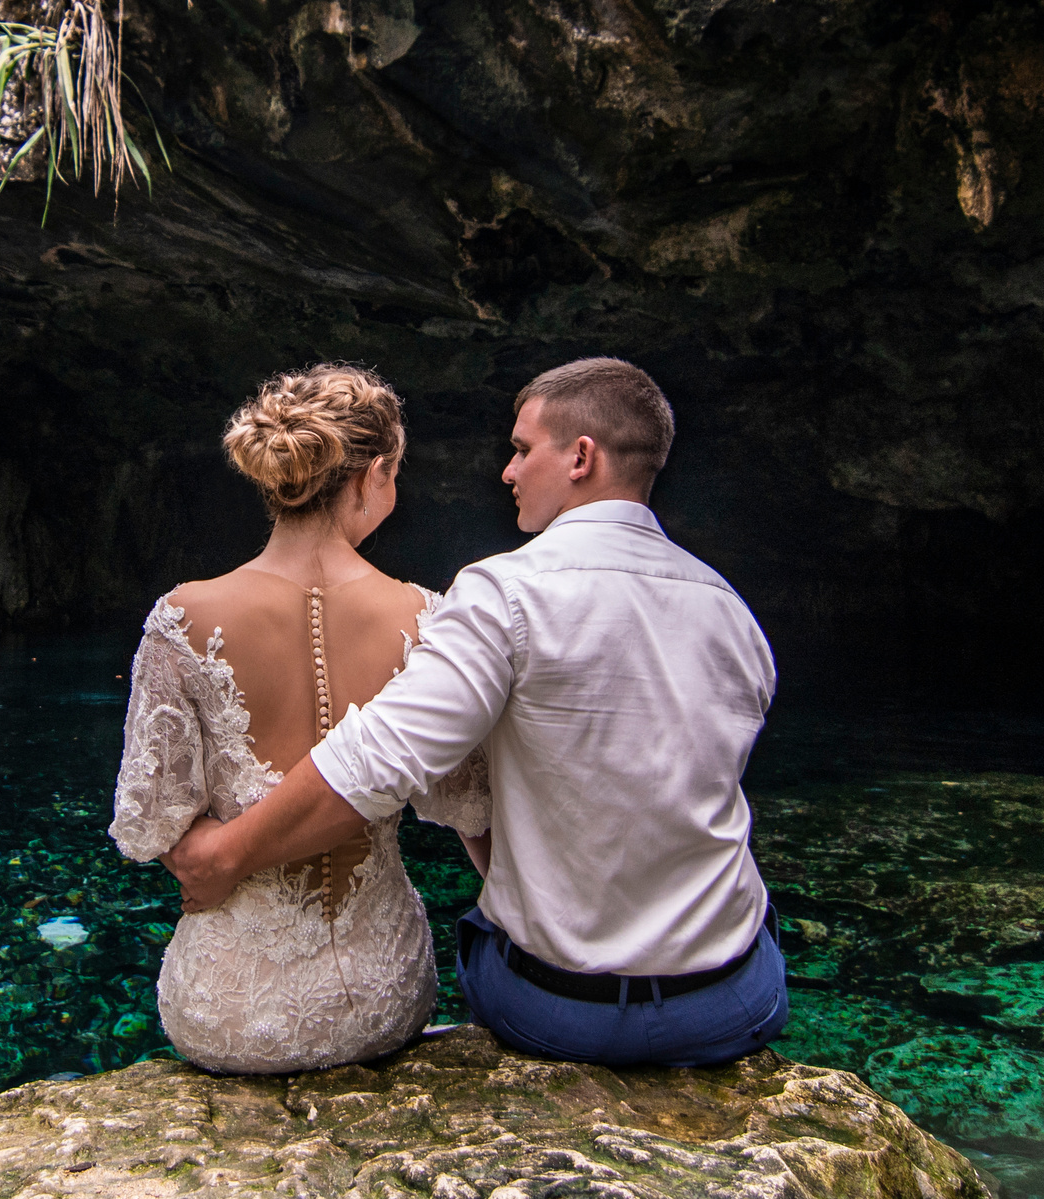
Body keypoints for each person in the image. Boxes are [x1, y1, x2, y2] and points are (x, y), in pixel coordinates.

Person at [165, 357, 785, 1068]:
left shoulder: (502, 593)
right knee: (755, 915)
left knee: (491, 929)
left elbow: (379, 754)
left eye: (523, 450)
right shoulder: (734, 613)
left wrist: (226, 852)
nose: (507, 472)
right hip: (726, 1005)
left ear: (582, 457)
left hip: (559, 1010)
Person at [107, 364, 490, 1075]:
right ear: (372, 475)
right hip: (386, 993)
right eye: (395, 473)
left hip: (231, 1008)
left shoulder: (181, 618)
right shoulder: (431, 619)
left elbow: (153, 823)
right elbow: (469, 806)